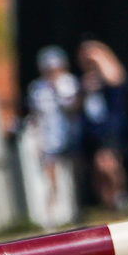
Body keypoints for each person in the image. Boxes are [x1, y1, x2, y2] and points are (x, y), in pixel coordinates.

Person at [27, 46, 81, 221]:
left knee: (73, 176)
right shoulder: (36, 88)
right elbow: (36, 116)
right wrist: (37, 141)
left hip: (69, 136)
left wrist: (58, 90)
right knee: (51, 179)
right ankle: (51, 216)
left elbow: (73, 109)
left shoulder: (69, 83)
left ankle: (76, 212)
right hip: (49, 139)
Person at [78, 40, 128, 211]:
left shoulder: (108, 77)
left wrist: (97, 52)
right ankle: (109, 205)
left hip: (109, 129)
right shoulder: (83, 82)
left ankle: (119, 197)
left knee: (108, 165)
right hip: (93, 133)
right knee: (98, 171)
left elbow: (116, 75)